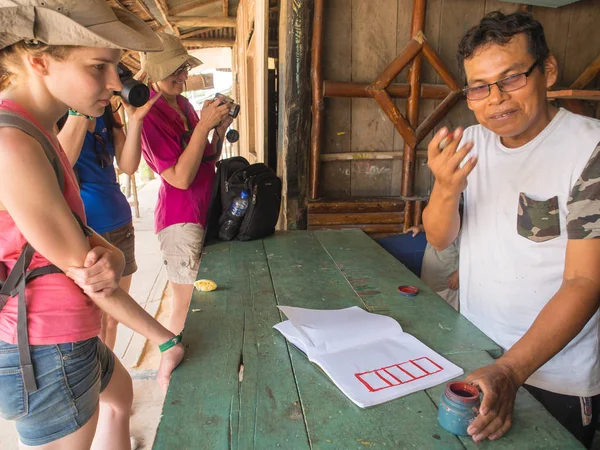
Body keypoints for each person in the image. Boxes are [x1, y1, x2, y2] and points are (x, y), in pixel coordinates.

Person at [0, 1, 184, 448]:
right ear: (39, 61)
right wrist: (163, 339)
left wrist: (114, 253)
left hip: (67, 334)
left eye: (116, 69)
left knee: (119, 400)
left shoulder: (38, 129)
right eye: (99, 66)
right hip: (45, 345)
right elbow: (87, 271)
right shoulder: (14, 144)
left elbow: (80, 240)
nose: (114, 84)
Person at [422, 11, 600, 447]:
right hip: (473, 352)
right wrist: (445, 188)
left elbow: (585, 281)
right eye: (479, 87)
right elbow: (439, 237)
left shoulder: (589, 148)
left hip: (552, 376)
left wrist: (511, 371)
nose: (496, 98)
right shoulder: (470, 144)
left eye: (512, 78)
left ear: (548, 71)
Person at [139, 32, 232, 335]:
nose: (182, 76)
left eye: (184, 68)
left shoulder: (182, 104)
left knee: (207, 297)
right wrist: (203, 125)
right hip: (181, 219)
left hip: (205, 209)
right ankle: (175, 370)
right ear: (154, 73)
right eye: (174, 70)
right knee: (186, 303)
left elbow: (207, 159)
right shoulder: (149, 114)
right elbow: (179, 178)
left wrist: (217, 130)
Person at [57, 94, 160, 351]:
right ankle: (98, 384)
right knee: (94, 321)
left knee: (113, 319)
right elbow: (61, 164)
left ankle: (106, 379)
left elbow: (128, 165)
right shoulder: (58, 115)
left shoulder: (105, 113)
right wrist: (82, 108)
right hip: (85, 231)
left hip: (119, 223)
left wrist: (134, 121)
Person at [406, 224, 460, 311]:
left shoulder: (459, 233)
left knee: (446, 313)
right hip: (428, 281)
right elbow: (432, 223)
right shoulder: (438, 224)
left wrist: (458, 274)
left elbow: (470, 256)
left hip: (447, 285)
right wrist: (420, 227)